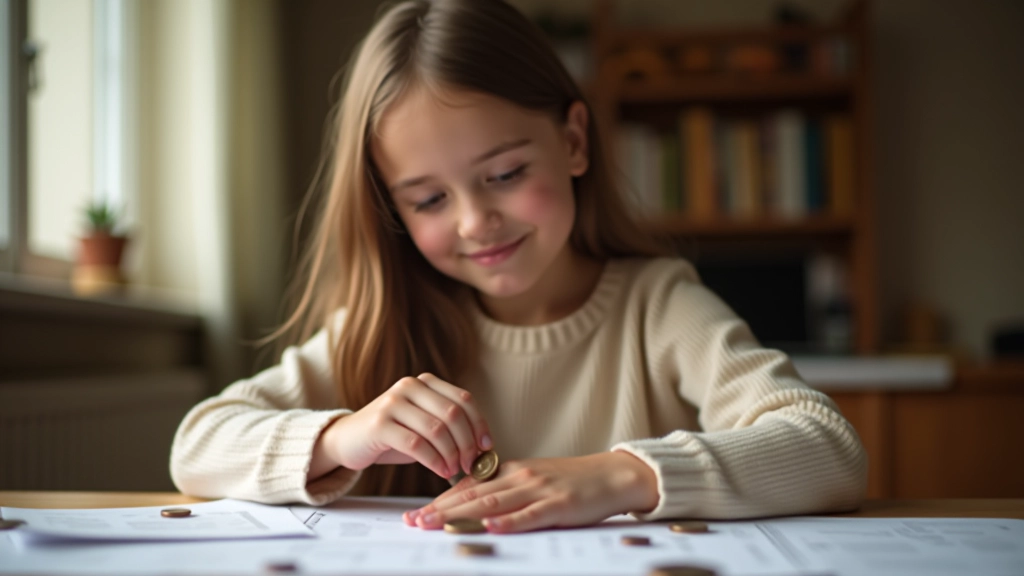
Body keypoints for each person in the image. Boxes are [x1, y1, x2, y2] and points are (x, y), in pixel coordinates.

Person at [170, 0, 867, 534]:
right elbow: (197, 445)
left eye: (504, 173)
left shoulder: (658, 306)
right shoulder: (383, 324)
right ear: (392, 209)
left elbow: (827, 447)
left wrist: (624, 475)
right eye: (429, 199)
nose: (475, 222)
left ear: (571, 141)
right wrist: (345, 436)